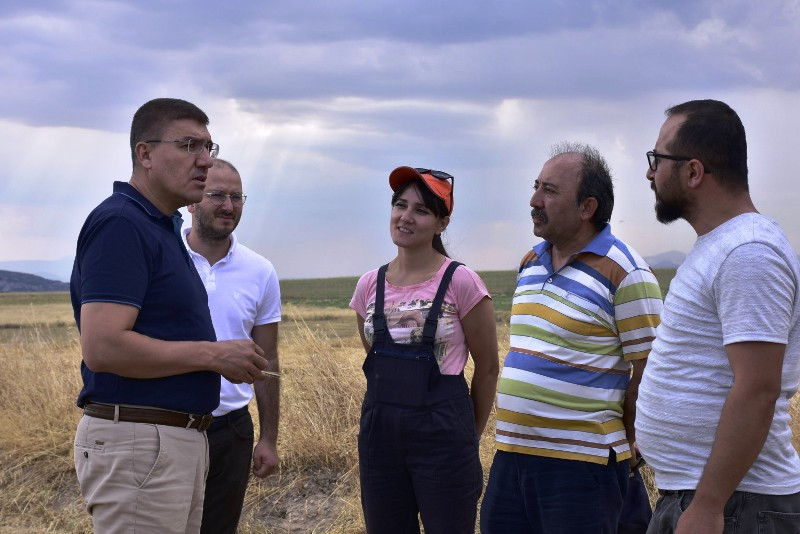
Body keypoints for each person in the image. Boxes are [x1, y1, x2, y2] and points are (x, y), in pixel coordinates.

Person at [71, 98, 268, 533]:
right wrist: (213, 356)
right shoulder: (122, 223)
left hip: (167, 441)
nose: (204, 161)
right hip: (142, 441)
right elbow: (103, 346)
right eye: (189, 145)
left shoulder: (159, 227)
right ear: (144, 154)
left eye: (209, 147)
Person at [481, 142, 664, 534]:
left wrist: (626, 445)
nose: (534, 199)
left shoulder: (627, 273)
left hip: (582, 470)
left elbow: (651, 374)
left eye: (549, 190)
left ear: (587, 208)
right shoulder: (530, 263)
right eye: (536, 186)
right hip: (511, 457)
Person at [636, 99, 800, 533]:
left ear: (693, 172)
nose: (650, 173)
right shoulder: (721, 246)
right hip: (712, 497)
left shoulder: (748, 253)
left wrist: (709, 504)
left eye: (657, 159)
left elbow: (757, 389)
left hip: (734, 505)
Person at [350, 166, 499, 533]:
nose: (405, 217)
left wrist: (468, 436)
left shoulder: (461, 281)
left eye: (421, 210)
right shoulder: (369, 284)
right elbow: (373, 352)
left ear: (442, 223)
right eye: (400, 205)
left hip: (444, 435)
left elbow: (489, 368)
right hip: (379, 435)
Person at [183, 159, 281, 534]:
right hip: (174, 425)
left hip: (232, 432)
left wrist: (269, 438)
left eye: (236, 197)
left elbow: (267, 359)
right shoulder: (166, 258)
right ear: (192, 201)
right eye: (217, 195)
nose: (228, 205)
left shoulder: (260, 271)